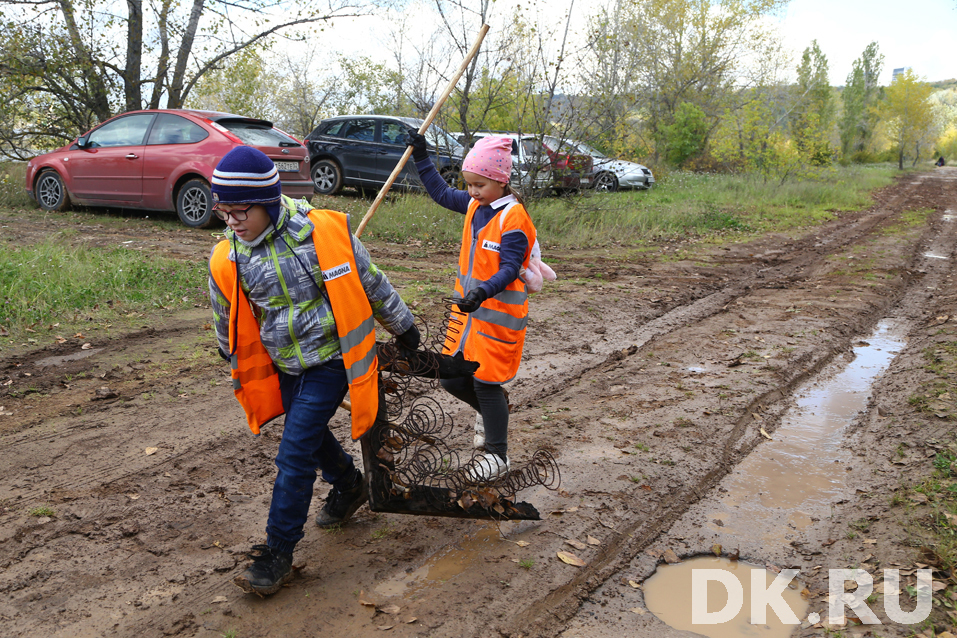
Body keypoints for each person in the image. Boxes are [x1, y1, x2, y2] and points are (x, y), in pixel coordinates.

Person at [207, 146, 420, 595]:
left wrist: (403, 326)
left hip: (330, 360)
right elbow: (224, 312)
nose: (231, 221)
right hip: (282, 364)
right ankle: (348, 484)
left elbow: (371, 281)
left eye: (240, 210)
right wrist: (230, 353)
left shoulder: (324, 233)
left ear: (267, 202)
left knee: (294, 453)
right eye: (222, 210)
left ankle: (277, 552)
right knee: (308, 435)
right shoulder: (227, 258)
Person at [407, 132, 537, 481]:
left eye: (479, 184)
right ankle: (492, 411)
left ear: (501, 180)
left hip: (497, 317)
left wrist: (483, 292)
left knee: (485, 382)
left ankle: (497, 456)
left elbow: (510, 268)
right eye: (469, 184)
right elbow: (438, 191)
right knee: (451, 378)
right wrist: (421, 156)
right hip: (467, 315)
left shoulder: (513, 218)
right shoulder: (473, 206)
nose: (472, 192)